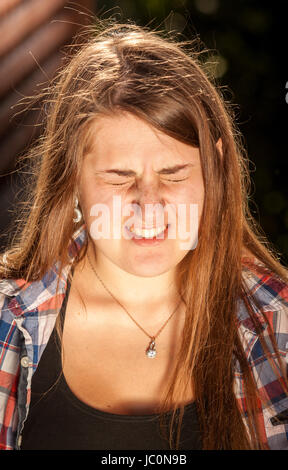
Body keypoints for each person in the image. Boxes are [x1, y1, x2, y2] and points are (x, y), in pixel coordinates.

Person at [0, 19, 287, 451]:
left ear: (215, 167)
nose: (149, 205)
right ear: (73, 178)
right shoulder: (8, 320)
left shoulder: (277, 321)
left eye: (174, 174)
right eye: (119, 178)